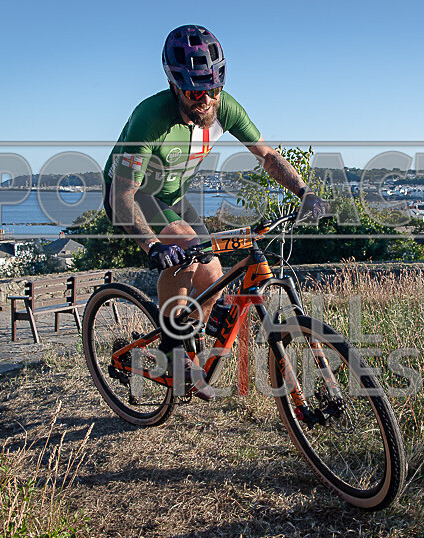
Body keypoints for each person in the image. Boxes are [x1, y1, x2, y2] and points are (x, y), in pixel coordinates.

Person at [102, 24, 329, 400]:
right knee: (181, 247)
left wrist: (304, 191)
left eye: (213, 88)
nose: (206, 99)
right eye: (195, 91)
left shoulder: (225, 108)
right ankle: (172, 351)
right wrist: (153, 246)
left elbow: (269, 156)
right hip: (131, 194)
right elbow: (124, 195)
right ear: (175, 86)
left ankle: (186, 347)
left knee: (211, 273)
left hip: (171, 196)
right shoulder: (149, 119)